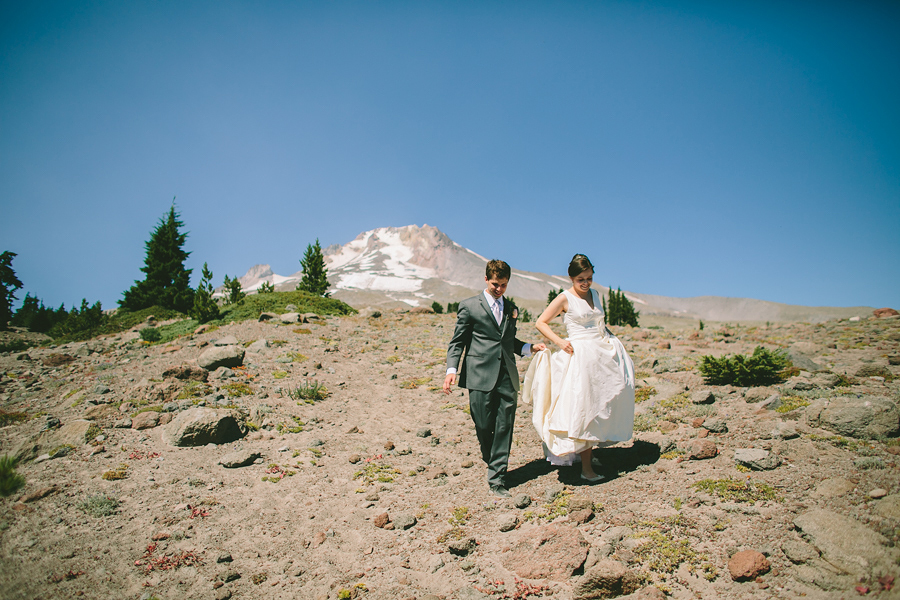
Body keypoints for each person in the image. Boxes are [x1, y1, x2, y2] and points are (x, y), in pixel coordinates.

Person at [523, 254, 635, 483]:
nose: (585, 283)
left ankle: (590, 454)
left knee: (603, 402)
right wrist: (561, 342)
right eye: (580, 279)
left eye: (589, 278)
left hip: (600, 355)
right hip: (580, 357)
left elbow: (599, 323)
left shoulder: (595, 294)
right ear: (571, 278)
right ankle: (586, 469)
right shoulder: (564, 298)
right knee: (585, 407)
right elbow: (540, 322)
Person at [443, 259, 547, 498]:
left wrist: (530, 348)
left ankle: (497, 477)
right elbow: (457, 342)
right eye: (495, 284)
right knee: (483, 424)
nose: (499, 289)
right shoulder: (469, 306)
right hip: (478, 375)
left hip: (506, 376)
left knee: (504, 427)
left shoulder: (511, 307)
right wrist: (451, 371)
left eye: (503, 284)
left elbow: (509, 341)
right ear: (486, 280)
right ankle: (492, 459)